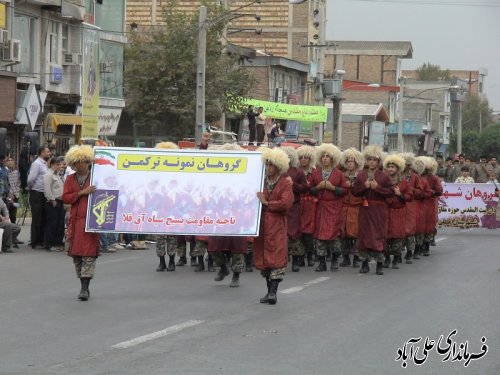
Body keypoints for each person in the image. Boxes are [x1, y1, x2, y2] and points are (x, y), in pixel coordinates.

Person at [255, 147, 293, 305]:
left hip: (277, 224)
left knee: (276, 256)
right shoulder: (260, 181)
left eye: (271, 165)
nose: (268, 168)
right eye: (267, 164)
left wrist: (266, 202)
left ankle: (273, 292)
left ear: (279, 166)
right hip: (263, 223)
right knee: (264, 258)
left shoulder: (286, 183)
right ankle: (268, 291)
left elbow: (285, 204)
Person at [63, 145, 100, 301]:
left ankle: (85, 288)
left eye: (83, 162)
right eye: (76, 163)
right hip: (75, 222)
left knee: (88, 255)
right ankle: (82, 283)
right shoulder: (70, 179)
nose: (80, 165)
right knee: (77, 256)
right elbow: (66, 197)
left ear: (87, 162)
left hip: (91, 221)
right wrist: (81, 193)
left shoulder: (96, 177)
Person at [351, 145, 394, 275]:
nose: (371, 162)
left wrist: (377, 187)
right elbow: (354, 192)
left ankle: (379, 264)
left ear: (379, 162)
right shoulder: (361, 176)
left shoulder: (385, 176)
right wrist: (364, 187)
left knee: (378, 235)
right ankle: (364, 263)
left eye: (374, 160)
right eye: (369, 159)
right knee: (364, 235)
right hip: (365, 208)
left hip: (379, 209)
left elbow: (391, 192)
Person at [309, 143, 348, 272]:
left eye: (328, 156)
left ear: (333, 159)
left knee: (334, 234)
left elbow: (345, 190)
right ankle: (321, 262)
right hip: (320, 206)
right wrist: (318, 188)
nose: (325, 158)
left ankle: (335, 259)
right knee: (320, 235)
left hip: (334, 207)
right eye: (323, 156)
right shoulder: (316, 173)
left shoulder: (339, 174)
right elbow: (310, 190)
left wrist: (333, 188)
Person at [281, 147, 308, 272]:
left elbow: (304, 188)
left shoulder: (298, 172)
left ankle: (296, 260)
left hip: (294, 207)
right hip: (280, 207)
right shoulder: (277, 171)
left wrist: (294, 184)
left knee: (294, 234)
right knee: (280, 234)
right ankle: (281, 260)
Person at [383, 154, 411, 269]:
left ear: (398, 169)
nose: (390, 169)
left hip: (398, 212)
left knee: (397, 237)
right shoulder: (383, 180)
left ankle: (395, 259)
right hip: (385, 212)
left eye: (393, 167)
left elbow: (410, 196)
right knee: (385, 236)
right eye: (389, 166)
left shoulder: (403, 182)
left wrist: (400, 195)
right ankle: (387, 258)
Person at [339, 148, 364, 268]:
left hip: (357, 208)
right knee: (343, 234)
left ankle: (356, 257)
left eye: (352, 161)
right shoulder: (342, 176)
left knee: (357, 234)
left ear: (357, 163)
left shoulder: (362, 176)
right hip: (344, 207)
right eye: (348, 161)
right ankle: (345, 257)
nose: (349, 164)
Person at [27, 146, 51, 249]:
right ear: (42, 153)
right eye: (47, 151)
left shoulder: (45, 164)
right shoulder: (36, 164)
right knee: (37, 217)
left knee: (43, 217)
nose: (49, 153)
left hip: (44, 193)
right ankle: (35, 241)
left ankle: (41, 239)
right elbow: (31, 179)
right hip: (37, 192)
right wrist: (32, 187)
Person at [297, 145, 317, 267]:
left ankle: (310, 254)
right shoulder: (296, 171)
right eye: (301, 157)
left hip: (310, 203)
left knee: (309, 231)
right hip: (298, 203)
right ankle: (300, 256)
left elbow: (317, 188)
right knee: (298, 230)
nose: (303, 160)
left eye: (306, 157)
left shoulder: (314, 172)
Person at [43, 157, 66, 252]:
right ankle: (49, 243)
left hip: (61, 201)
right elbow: (47, 189)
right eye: (57, 165)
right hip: (53, 201)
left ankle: (58, 242)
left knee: (59, 224)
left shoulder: (58, 175)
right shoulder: (48, 175)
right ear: (52, 165)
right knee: (52, 223)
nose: (59, 167)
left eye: (60, 165)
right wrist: (52, 200)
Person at [6, 157, 22, 225]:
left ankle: (13, 226)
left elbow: (19, 183)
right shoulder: (5, 172)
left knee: (14, 212)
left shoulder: (17, 172)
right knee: (7, 211)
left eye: (11, 160)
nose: (10, 162)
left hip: (16, 194)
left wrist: (18, 191)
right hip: (8, 195)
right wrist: (10, 195)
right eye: (8, 160)